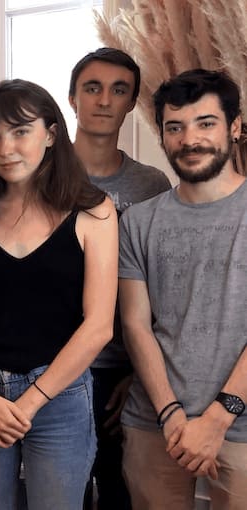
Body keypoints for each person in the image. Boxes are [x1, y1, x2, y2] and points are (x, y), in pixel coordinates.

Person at [0, 79, 117, 509]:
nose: (5, 149)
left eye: (20, 131)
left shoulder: (94, 211)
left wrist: (29, 403)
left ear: (51, 134)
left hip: (60, 394)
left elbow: (99, 326)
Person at [119, 69, 247, 508]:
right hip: (153, 423)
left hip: (240, 429)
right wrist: (170, 413)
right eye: (175, 127)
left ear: (234, 126)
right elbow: (136, 325)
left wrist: (217, 418)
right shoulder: (138, 222)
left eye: (205, 123)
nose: (189, 139)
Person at [68, 47, 171, 509]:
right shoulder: (40, 176)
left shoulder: (151, 186)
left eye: (119, 90)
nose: (104, 100)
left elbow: (163, 287)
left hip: (122, 372)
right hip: (53, 364)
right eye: (92, 88)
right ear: (72, 98)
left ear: (131, 102)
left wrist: (139, 373)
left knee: (119, 493)